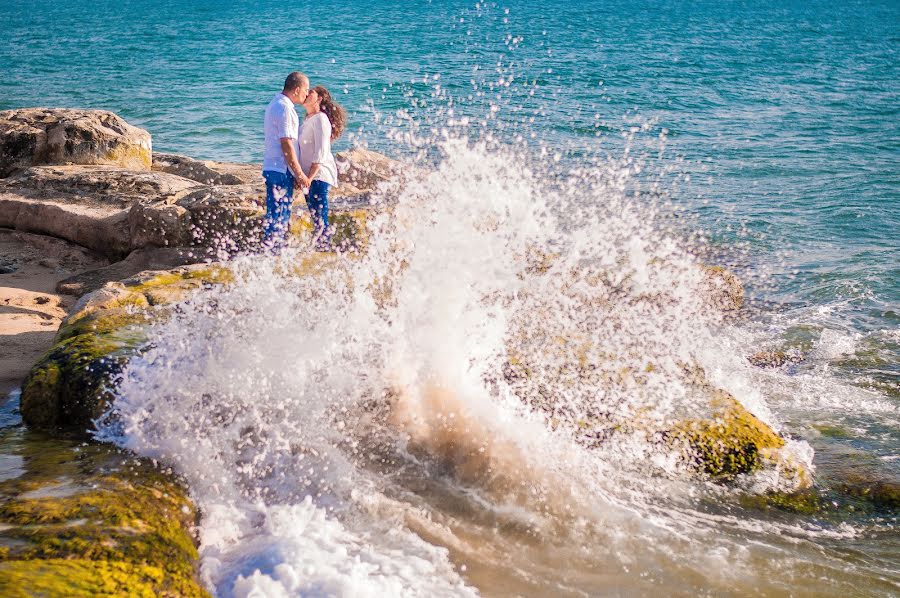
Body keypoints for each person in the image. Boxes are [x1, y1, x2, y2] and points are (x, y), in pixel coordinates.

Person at [262, 72, 311, 251]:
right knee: (279, 215)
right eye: (305, 90)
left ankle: (271, 251)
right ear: (297, 90)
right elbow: (287, 144)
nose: (307, 94)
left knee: (276, 214)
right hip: (280, 170)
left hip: (274, 167)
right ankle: (273, 253)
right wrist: (299, 173)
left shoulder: (276, 103)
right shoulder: (285, 109)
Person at [298, 85, 346, 250]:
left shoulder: (320, 119)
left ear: (319, 99)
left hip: (318, 175)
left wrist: (309, 177)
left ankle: (325, 247)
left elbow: (321, 150)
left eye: (310, 92)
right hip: (309, 176)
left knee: (319, 215)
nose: (306, 93)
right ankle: (321, 246)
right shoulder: (308, 119)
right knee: (315, 214)